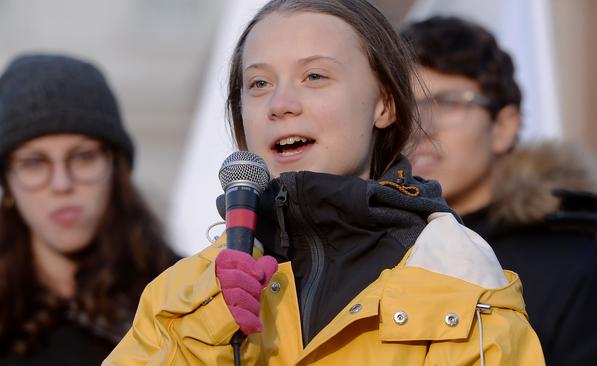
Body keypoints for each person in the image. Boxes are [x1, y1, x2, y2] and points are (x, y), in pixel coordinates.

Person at [104, 1, 545, 365]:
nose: (280, 104)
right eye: (258, 83)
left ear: (385, 103)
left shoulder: (466, 289)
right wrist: (209, 332)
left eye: (314, 76)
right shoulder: (180, 299)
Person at [401, 16, 597, 366]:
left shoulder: (572, 267)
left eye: (449, 103)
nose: (420, 127)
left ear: (504, 126)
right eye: (406, 107)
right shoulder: (370, 249)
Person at [0, 54, 180, 364]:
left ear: (116, 169)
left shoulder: (184, 297)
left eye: (83, 157)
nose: (61, 183)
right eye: (33, 162)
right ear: (7, 181)